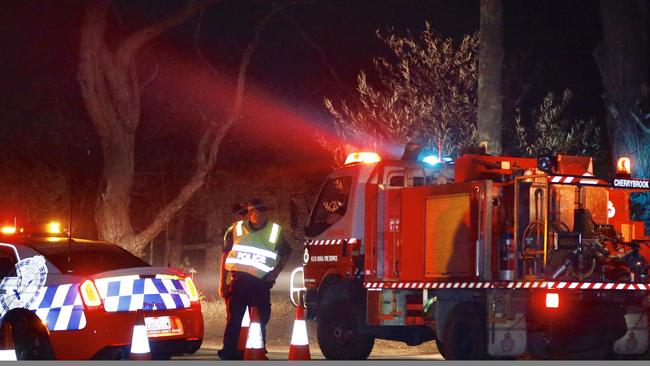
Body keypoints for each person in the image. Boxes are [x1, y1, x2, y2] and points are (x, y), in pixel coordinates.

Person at [217, 198, 293, 360]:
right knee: (234, 320)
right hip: (239, 282)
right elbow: (225, 256)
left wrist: (276, 272)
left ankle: (258, 350)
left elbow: (286, 252)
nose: (255, 214)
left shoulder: (274, 231)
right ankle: (229, 352)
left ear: (265, 212)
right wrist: (222, 283)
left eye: (259, 211)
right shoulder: (236, 229)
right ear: (249, 213)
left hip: (261, 283)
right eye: (252, 211)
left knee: (259, 320)